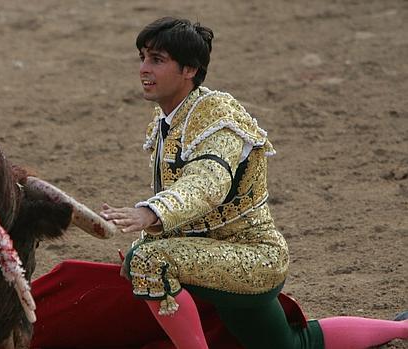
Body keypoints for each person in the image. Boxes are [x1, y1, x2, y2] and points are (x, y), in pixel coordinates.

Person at [100, 17, 407, 349]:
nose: (144, 69)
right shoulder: (169, 121)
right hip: (215, 254)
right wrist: (146, 235)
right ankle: (404, 329)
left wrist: (150, 214)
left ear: (189, 69)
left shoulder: (218, 118)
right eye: (142, 58)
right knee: (293, 345)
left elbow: (208, 183)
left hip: (253, 255)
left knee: (150, 262)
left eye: (157, 60)